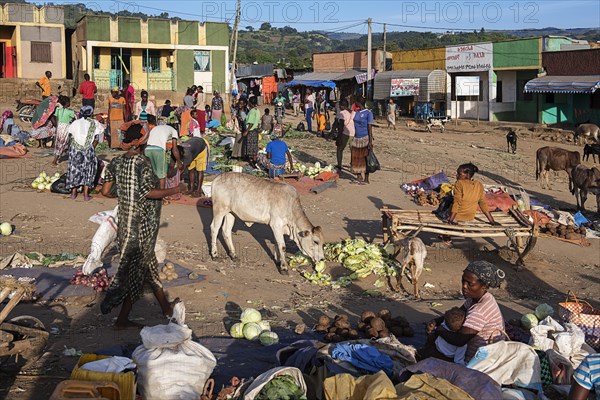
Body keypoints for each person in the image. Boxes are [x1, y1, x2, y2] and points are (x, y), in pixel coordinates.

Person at [100, 123, 186, 329]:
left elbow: (105, 191)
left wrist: (124, 195)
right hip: (142, 225)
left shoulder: (116, 162)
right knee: (135, 273)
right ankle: (121, 319)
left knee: (147, 266)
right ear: (141, 142)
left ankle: (165, 307)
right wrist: (175, 188)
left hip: (125, 223)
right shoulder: (142, 162)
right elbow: (148, 192)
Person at [424, 261, 506, 363]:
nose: (464, 286)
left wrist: (438, 330)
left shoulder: (480, 310)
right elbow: (457, 313)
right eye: (463, 281)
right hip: (474, 351)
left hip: (478, 361)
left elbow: (459, 340)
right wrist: (436, 321)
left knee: (429, 356)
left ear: (484, 286)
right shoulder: (474, 299)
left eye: (470, 284)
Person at [66, 106, 102, 201]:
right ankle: (86, 195)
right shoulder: (95, 123)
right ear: (91, 113)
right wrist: (91, 148)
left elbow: (70, 136)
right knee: (88, 170)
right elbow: (97, 138)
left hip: (75, 149)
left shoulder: (75, 123)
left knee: (74, 169)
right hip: (88, 149)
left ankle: (73, 193)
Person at [145, 115, 182, 190]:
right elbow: (175, 149)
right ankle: (162, 198)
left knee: (151, 173)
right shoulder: (174, 131)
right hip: (159, 150)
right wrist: (179, 162)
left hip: (147, 149)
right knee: (161, 175)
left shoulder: (156, 128)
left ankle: (151, 192)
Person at [350, 98, 374, 184]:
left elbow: (370, 128)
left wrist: (370, 142)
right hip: (356, 138)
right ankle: (359, 176)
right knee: (355, 158)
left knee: (366, 158)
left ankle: (366, 178)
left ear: (359, 103)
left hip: (365, 138)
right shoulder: (356, 112)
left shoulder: (368, 113)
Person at [52, 95, 76, 165]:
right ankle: (55, 161)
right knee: (62, 143)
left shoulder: (58, 109)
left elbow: (56, 117)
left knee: (59, 143)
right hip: (65, 128)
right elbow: (73, 119)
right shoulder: (70, 112)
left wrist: (57, 125)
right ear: (67, 103)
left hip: (59, 126)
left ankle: (58, 156)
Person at [335, 99, 355, 171]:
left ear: (342, 106)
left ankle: (339, 165)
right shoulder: (353, 112)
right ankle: (353, 165)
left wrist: (338, 137)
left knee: (340, 149)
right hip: (353, 133)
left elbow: (341, 126)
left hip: (345, 133)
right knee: (352, 150)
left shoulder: (342, 113)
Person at [244, 97, 261, 166]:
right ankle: (254, 160)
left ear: (250, 103)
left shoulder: (252, 111)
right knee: (254, 146)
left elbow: (251, 123)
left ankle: (251, 161)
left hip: (251, 130)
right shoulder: (257, 110)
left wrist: (246, 131)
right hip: (256, 129)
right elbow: (258, 122)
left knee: (250, 146)